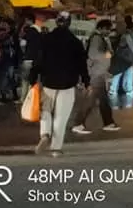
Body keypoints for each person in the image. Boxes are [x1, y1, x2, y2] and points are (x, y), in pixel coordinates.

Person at [31, 12, 90, 157]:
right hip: (67, 84)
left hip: (48, 82)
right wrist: (86, 81)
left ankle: (45, 133)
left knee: (45, 111)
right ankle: (55, 148)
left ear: (57, 22)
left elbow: (38, 60)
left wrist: (33, 78)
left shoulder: (46, 39)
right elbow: (82, 64)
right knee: (61, 117)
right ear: (69, 23)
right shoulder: (75, 42)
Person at [72, 19, 120, 134]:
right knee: (90, 100)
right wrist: (108, 55)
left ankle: (108, 123)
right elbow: (94, 55)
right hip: (96, 74)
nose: (109, 32)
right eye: (108, 29)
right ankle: (78, 123)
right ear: (102, 28)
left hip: (99, 73)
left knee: (103, 100)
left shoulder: (101, 39)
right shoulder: (96, 39)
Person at [109, 15, 133, 104]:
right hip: (125, 57)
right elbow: (131, 46)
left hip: (121, 56)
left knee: (121, 72)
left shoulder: (122, 33)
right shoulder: (127, 34)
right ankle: (127, 90)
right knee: (125, 73)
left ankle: (114, 90)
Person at [19, 10, 45, 102]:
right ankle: (32, 99)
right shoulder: (40, 32)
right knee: (33, 81)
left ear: (29, 20)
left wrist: (24, 52)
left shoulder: (29, 31)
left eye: (26, 20)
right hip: (37, 60)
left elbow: (22, 44)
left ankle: (23, 99)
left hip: (28, 58)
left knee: (25, 80)